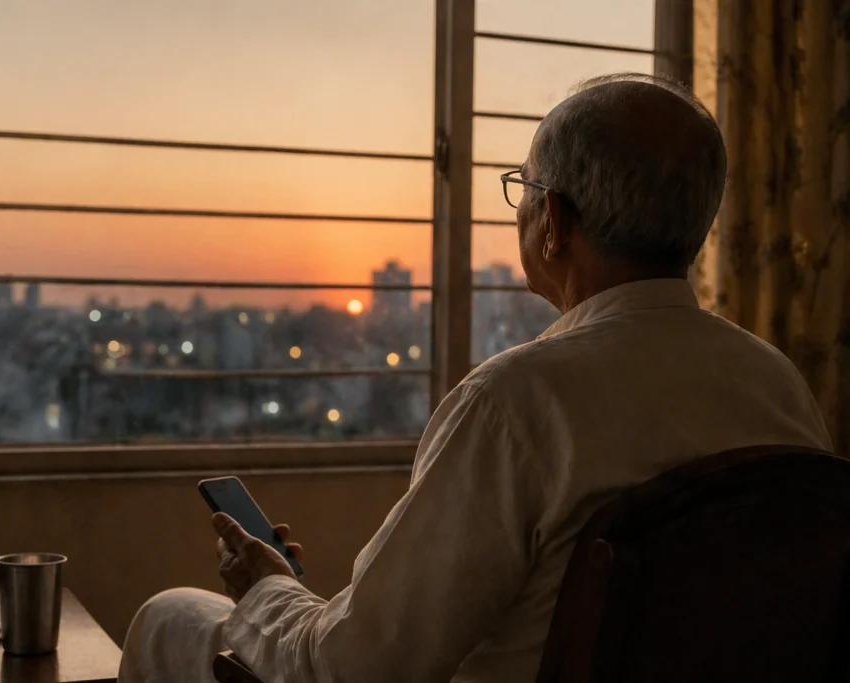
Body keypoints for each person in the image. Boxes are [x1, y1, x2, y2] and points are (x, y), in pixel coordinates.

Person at [118, 73, 833, 683]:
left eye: (525, 187)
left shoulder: (518, 402)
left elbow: (352, 668)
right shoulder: (780, 386)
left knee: (168, 617)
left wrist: (266, 589)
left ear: (551, 220)